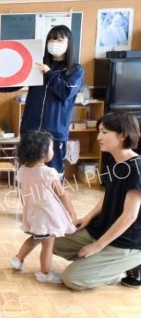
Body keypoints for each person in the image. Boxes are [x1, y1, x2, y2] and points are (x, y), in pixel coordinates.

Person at [53, 112, 141, 290]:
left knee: (72, 279)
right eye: (99, 131)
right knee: (52, 242)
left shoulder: (137, 168)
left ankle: (126, 264)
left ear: (123, 135)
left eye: (105, 132)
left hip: (126, 242)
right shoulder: (114, 161)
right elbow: (108, 195)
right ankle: (102, 266)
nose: (99, 137)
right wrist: (88, 218)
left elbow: (129, 216)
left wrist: (97, 246)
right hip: (101, 229)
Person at [0, 25, 84, 176]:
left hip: (55, 132)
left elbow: (65, 92)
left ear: (69, 43)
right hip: (30, 130)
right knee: (27, 174)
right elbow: (13, 83)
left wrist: (49, 73)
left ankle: (51, 201)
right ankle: (29, 200)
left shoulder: (75, 70)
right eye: (51, 39)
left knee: (53, 176)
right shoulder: (37, 64)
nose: (54, 42)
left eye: (59, 39)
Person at [10, 131, 77, 284]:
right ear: (43, 152)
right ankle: (44, 273)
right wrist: (71, 212)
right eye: (52, 147)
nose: (53, 150)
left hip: (34, 211)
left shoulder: (23, 170)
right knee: (48, 244)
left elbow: (22, 193)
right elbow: (62, 194)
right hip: (47, 214)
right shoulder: (48, 172)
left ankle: (18, 259)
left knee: (35, 237)